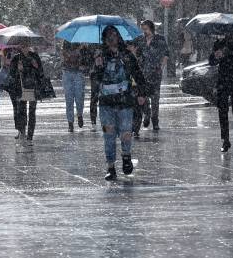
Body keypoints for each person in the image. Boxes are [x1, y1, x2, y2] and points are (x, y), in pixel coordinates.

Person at [91, 26, 148, 181]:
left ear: (118, 37)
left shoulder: (127, 56)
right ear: (104, 39)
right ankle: (110, 167)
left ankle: (126, 157)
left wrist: (142, 93)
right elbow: (95, 80)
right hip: (106, 104)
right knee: (108, 135)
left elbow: (138, 74)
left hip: (124, 102)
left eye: (114, 35)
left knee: (125, 132)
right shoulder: (100, 56)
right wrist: (98, 66)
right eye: (108, 36)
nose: (112, 38)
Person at [130, 20, 169, 135]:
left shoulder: (160, 39)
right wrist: (135, 55)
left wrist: (161, 67)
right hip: (142, 74)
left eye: (146, 29)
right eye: (143, 29)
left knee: (155, 98)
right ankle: (147, 114)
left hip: (155, 73)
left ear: (151, 28)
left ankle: (155, 120)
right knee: (143, 97)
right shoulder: (139, 39)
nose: (144, 31)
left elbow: (166, 54)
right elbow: (131, 49)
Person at [8, 43, 44, 146]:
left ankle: (30, 135)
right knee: (21, 111)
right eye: (23, 46)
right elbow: (12, 74)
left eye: (26, 46)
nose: (25, 48)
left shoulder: (34, 56)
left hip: (33, 87)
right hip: (21, 88)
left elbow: (41, 73)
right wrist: (18, 70)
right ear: (20, 47)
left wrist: (36, 66)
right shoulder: (16, 58)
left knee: (32, 111)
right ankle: (22, 131)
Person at [61, 42, 86, 132]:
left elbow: (85, 61)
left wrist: (82, 64)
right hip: (67, 73)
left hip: (78, 74)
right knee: (69, 99)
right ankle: (70, 123)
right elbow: (63, 60)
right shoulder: (65, 45)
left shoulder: (82, 47)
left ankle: (79, 114)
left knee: (79, 97)